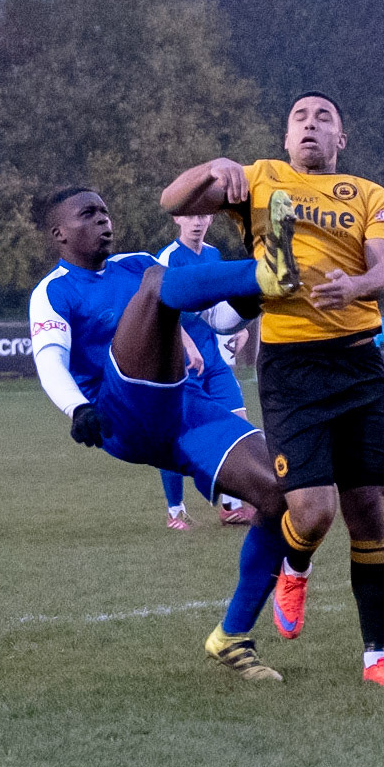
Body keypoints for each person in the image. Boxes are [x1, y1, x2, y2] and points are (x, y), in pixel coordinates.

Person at [160, 93, 384, 686]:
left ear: (340, 139)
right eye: (300, 117)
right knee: (313, 511)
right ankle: (295, 567)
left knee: (369, 510)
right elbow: (172, 200)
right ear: (284, 137)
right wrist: (213, 167)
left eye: (324, 118)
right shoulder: (260, 180)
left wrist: (355, 286)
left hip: (359, 365)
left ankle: (376, 659)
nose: (311, 125)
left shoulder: (371, 195)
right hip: (292, 367)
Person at [29, 185, 300, 681]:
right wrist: (77, 407)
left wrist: (251, 300)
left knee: (284, 495)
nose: (104, 220)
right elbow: (49, 361)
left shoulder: (133, 264)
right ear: (59, 233)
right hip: (121, 414)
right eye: (88, 214)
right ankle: (265, 271)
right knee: (157, 283)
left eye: (105, 212)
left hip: (185, 409)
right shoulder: (55, 290)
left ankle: (232, 636)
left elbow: (219, 319)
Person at [156, 214, 256, 530]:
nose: (196, 222)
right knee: (175, 438)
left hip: (213, 360)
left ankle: (231, 506)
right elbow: (160, 312)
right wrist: (187, 345)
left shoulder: (213, 254)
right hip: (179, 362)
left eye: (202, 215)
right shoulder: (168, 258)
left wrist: (241, 328)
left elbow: (222, 302)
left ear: (211, 218)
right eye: (190, 215)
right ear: (177, 218)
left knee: (239, 426)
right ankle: (175, 511)